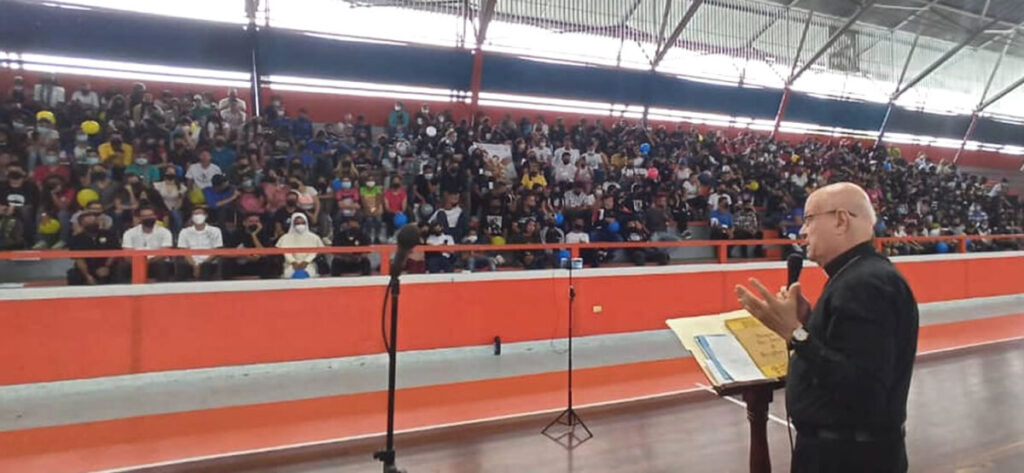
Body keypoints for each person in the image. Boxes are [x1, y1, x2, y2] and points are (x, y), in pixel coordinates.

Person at [735, 182, 918, 473]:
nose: (802, 231)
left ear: (841, 220)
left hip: (849, 458)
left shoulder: (865, 284)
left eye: (809, 219)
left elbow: (863, 386)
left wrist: (795, 333)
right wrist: (808, 321)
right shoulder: (857, 275)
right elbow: (844, 351)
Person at [121, 206, 174, 282]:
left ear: (155, 216)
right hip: (135, 262)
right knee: (122, 266)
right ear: (140, 218)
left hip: (156, 261)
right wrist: (139, 262)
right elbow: (127, 253)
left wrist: (149, 261)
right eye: (145, 216)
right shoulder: (129, 233)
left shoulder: (165, 232)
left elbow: (165, 252)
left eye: (150, 215)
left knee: (161, 265)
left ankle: (163, 288)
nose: (148, 218)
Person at [176, 207, 223, 281]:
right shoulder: (184, 232)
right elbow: (184, 250)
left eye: (200, 213)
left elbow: (217, 249)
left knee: (206, 267)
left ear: (206, 216)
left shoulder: (215, 230)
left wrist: (201, 265)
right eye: (195, 214)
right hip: (190, 262)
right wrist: (195, 265)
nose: (197, 216)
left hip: (209, 262)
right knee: (181, 267)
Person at [276, 213, 324, 278]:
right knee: (289, 274)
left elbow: (316, 251)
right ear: (293, 224)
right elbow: (285, 252)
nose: (300, 225)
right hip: (290, 265)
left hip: (309, 264)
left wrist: (306, 262)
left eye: (302, 223)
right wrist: (293, 262)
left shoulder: (314, 237)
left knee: (309, 274)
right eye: (297, 223)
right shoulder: (285, 237)